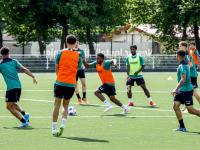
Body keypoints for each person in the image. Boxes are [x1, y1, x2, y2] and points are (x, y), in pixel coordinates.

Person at [0, 46, 37, 127]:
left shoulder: (0, 64)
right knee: (12, 104)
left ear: (1, 54)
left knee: (9, 106)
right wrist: (33, 76)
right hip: (18, 86)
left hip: (11, 87)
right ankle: (25, 114)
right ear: (8, 53)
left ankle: (24, 122)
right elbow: (24, 69)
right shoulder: (14, 61)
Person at [52, 35, 82, 137]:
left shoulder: (59, 53)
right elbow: (78, 69)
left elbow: (56, 68)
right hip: (71, 83)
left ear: (66, 42)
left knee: (57, 105)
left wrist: (59, 77)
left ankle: (53, 129)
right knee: (65, 105)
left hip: (60, 82)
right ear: (75, 43)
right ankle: (63, 125)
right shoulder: (79, 55)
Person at [171, 50, 200, 131]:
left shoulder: (182, 66)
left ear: (177, 56)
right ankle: (182, 126)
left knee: (190, 110)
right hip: (182, 89)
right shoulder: (185, 63)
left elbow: (183, 79)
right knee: (175, 105)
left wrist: (175, 89)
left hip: (186, 90)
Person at [179, 41, 200, 112]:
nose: (179, 47)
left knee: (194, 92)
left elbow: (190, 65)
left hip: (192, 75)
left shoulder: (187, 54)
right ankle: (186, 104)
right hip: (188, 75)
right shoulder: (183, 54)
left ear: (184, 47)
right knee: (187, 90)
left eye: (180, 46)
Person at [74, 40, 89, 104]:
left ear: (79, 44)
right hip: (74, 70)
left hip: (81, 69)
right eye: (75, 43)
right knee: (75, 84)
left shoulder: (81, 51)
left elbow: (84, 60)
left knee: (83, 83)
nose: (76, 44)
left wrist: (83, 60)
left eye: (77, 42)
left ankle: (84, 97)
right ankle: (79, 98)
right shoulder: (71, 51)